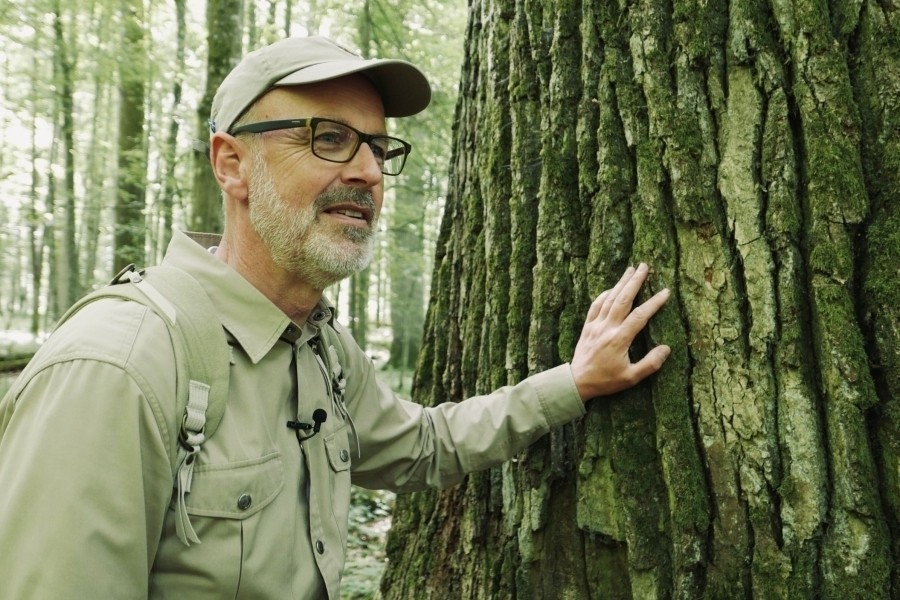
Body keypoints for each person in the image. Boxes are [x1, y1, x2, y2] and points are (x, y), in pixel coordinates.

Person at [0, 35, 671, 598]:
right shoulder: (120, 367)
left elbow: (423, 446)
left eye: (378, 148)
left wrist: (575, 382)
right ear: (232, 164)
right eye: (329, 138)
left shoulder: (317, 346)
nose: (368, 171)